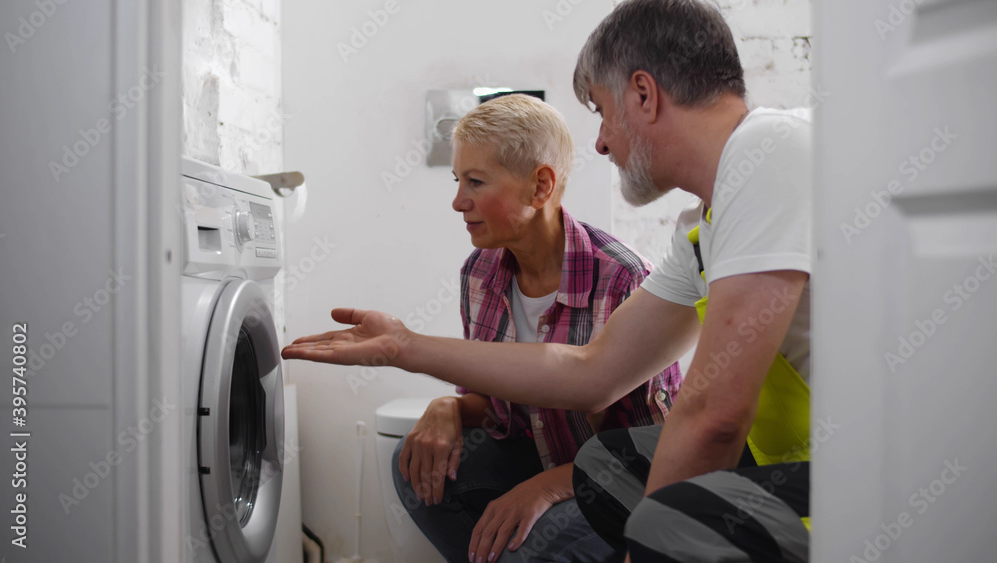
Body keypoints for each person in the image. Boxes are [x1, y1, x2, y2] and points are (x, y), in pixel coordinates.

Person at [283, 0, 813, 560]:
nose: (603, 142)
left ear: (643, 94)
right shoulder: (701, 227)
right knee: (599, 470)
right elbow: (592, 371)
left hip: (840, 477)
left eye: (603, 112)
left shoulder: (767, 150)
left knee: (593, 495)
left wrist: (647, 547)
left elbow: (713, 417)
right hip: (783, 467)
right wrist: (404, 347)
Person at [391, 93, 681, 563]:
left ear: (540, 186)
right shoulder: (479, 273)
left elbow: (659, 447)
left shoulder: (625, 280)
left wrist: (545, 489)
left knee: (528, 541)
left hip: (623, 485)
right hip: (536, 456)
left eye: (476, 181)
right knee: (414, 464)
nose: (457, 201)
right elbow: (495, 409)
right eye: (457, 180)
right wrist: (450, 406)